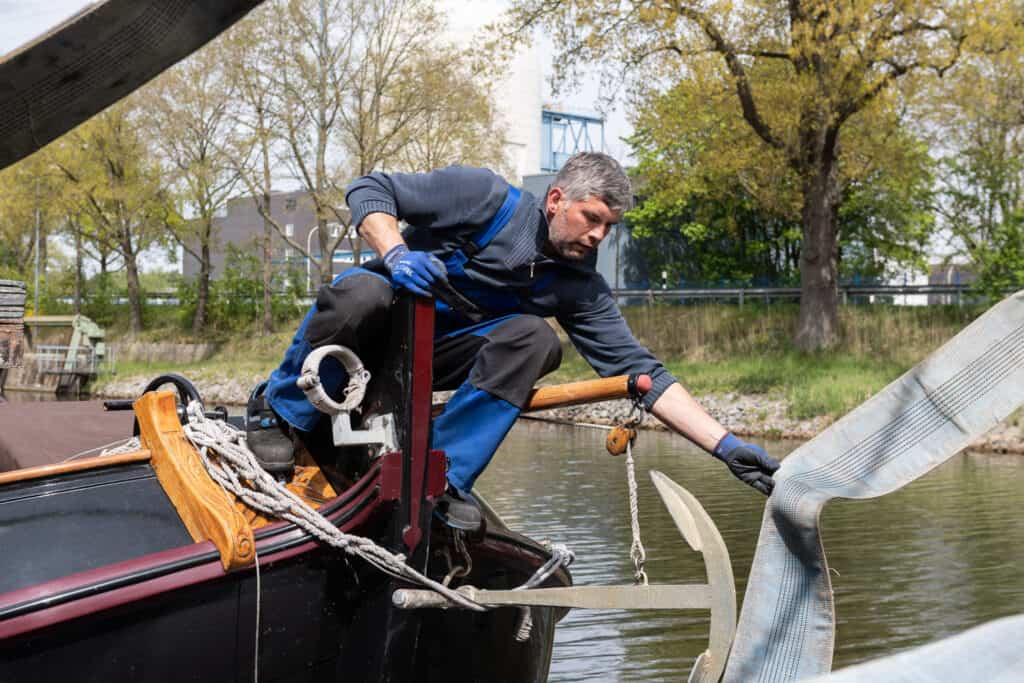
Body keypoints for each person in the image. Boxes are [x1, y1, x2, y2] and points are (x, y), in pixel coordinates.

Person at [250, 152, 779, 530]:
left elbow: (646, 376)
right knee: (361, 292)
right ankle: (281, 414)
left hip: (437, 356)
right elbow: (368, 188)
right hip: (375, 327)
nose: (598, 236)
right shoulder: (481, 196)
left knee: (535, 339)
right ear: (555, 200)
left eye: (608, 227)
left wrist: (726, 446)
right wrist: (396, 255)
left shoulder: (579, 288)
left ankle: (442, 474)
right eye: (591, 218)